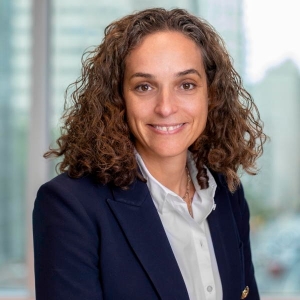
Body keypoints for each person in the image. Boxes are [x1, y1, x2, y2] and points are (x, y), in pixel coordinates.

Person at [33, 7, 267, 300]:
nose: (166, 107)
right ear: (118, 99)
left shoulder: (228, 193)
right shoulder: (69, 206)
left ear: (211, 94)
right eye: (144, 86)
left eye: (186, 85)